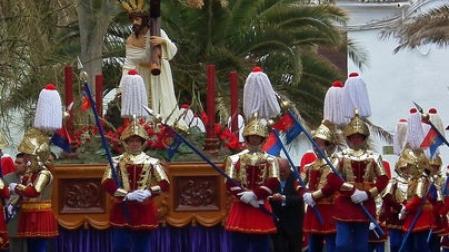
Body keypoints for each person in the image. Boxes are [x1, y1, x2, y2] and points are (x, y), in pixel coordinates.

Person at [322, 112, 389, 252]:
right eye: (354, 137)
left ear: (364, 138)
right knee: (342, 244)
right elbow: (331, 177)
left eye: (359, 137)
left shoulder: (374, 157)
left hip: (365, 204)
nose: (356, 139)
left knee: (361, 246)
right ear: (349, 138)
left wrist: (367, 194)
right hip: (345, 203)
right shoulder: (340, 156)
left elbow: (383, 179)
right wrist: (351, 190)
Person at [101, 118, 170, 252]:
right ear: (126, 142)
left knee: (142, 247)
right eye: (131, 141)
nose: (134, 144)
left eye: (137, 141)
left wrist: (149, 192)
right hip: (122, 207)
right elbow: (106, 182)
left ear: (142, 142)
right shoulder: (116, 161)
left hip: (143, 208)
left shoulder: (152, 162)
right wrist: (126, 195)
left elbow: (164, 183)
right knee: (120, 246)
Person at [119, 0, 183, 126]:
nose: (134, 23)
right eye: (132, 20)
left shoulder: (157, 32)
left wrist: (163, 41)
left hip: (159, 74)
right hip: (141, 75)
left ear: (144, 20)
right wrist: (122, 86)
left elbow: (173, 50)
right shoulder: (130, 40)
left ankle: (165, 126)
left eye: (137, 19)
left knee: (162, 101)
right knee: (143, 106)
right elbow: (128, 64)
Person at [224, 115, 280, 252]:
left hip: (260, 205)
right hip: (241, 207)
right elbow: (229, 181)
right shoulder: (234, 159)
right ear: (247, 137)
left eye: (258, 136)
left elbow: (274, 180)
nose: (254, 139)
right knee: (238, 245)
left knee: (261, 246)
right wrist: (244, 196)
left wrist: (255, 194)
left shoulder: (271, 160)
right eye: (252, 136)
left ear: (262, 139)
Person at [10, 128, 58, 252]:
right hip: (29, 213)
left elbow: (34, 191)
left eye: (28, 158)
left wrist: (16, 187)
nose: (27, 162)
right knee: (31, 247)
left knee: (39, 248)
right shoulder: (31, 174)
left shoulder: (44, 173)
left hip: (40, 214)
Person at [298, 121, 337, 252]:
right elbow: (298, 182)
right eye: (315, 143)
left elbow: (332, 185)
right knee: (313, 245)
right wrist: (304, 194)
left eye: (320, 144)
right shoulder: (309, 166)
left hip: (329, 210)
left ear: (327, 146)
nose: (317, 147)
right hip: (313, 209)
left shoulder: (335, 164)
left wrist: (314, 196)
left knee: (331, 245)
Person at [396, 147, 432, 252]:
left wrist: (405, 209)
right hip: (411, 214)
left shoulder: (422, 178)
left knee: (420, 246)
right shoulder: (411, 179)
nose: (407, 169)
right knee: (407, 246)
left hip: (420, 215)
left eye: (409, 166)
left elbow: (418, 197)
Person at [270, 158, 304, 252]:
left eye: (284, 171)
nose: (281, 174)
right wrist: (271, 197)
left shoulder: (297, 179)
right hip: (277, 223)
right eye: (279, 171)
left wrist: (284, 198)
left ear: (289, 168)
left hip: (294, 222)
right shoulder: (272, 179)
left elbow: (301, 198)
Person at [4, 153, 27, 252]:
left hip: (31, 221)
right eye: (15, 162)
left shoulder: (35, 178)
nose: (15, 165)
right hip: (14, 221)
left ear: (27, 165)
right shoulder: (6, 179)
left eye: (19, 163)